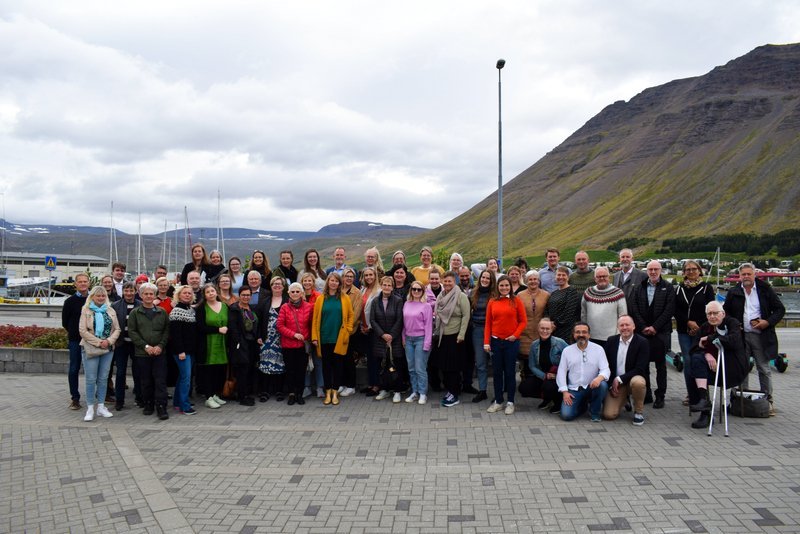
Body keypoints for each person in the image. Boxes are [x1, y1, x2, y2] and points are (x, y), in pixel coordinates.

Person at [723, 262, 785, 416]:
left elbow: (780, 309)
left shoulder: (765, 289)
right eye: (743, 274)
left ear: (754, 274)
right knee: (740, 368)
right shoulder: (734, 292)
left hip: (761, 335)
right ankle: (739, 401)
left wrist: (767, 322)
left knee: (763, 368)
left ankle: (767, 402)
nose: (746, 277)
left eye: (748, 274)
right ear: (739, 276)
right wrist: (735, 324)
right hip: (741, 336)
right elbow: (725, 313)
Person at [687, 301, 749, 428]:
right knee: (694, 364)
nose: (712, 316)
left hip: (731, 368)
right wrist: (707, 354)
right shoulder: (704, 327)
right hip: (710, 369)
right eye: (709, 314)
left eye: (715, 313)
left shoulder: (732, 323)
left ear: (723, 313)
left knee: (697, 370)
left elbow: (733, 341)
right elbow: (693, 348)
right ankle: (704, 407)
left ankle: (704, 405)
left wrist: (710, 338)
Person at [629, 260, 676, 409]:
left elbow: (669, 309)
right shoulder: (639, 287)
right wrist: (643, 327)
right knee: (643, 364)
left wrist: (655, 327)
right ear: (647, 271)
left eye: (656, 269)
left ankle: (660, 396)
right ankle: (647, 393)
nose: (653, 272)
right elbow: (634, 308)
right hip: (642, 332)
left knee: (661, 365)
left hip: (661, 332)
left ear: (660, 270)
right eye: (650, 269)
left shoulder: (668, 287)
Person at [484, 275, 527, 415]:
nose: (504, 288)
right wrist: (486, 342)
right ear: (497, 287)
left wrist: (515, 335)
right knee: (497, 373)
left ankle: (510, 402)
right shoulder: (492, 301)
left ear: (510, 286)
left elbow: (523, 321)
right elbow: (488, 323)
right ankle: (498, 401)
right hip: (496, 342)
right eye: (501, 285)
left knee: (510, 372)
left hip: (511, 342)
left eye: (506, 285)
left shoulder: (516, 301)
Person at [127, 283, 171, 420]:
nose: (148, 296)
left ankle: (161, 406)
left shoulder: (162, 312)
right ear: (140, 295)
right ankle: (148, 404)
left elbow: (166, 330)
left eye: (151, 294)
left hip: (159, 353)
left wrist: (160, 346)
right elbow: (132, 332)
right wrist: (145, 346)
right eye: (145, 294)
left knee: (160, 381)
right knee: (145, 380)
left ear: (155, 295)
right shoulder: (135, 313)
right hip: (142, 353)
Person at [78, 286, 121, 421]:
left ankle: (101, 407)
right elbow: (82, 331)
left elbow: (117, 329)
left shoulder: (110, 310)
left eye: (103, 296)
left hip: (107, 348)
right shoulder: (86, 310)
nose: (101, 298)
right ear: (92, 297)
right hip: (91, 347)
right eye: (98, 296)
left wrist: (108, 341)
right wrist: (99, 342)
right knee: (91, 379)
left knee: (103, 378)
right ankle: (90, 407)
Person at [675, 260, 716, 405]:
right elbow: (676, 309)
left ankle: (703, 394)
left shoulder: (706, 288)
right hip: (684, 330)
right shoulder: (679, 289)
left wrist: (699, 327)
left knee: (699, 360)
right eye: (688, 269)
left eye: (694, 269)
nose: (691, 271)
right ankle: (691, 394)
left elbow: (711, 310)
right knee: (688, 361)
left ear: (699, 271)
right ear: (684, 272)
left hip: (702, 331)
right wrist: (688, 322)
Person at [312, 273, 354, 406]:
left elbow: (350, 316)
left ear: (339, 283)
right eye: (331, 280)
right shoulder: (320, 299)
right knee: (326, 367)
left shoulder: (344, 298)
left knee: (338, 366)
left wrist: (348, 330)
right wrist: (314, 337)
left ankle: (335, 392)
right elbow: (315, 319)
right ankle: (328, 392)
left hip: (339, 338)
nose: (334, 283)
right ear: (328, 282)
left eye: (336, 281)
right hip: (324, 338)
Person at [556, 323, 610, 422]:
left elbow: (605, 369)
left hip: (592, 387)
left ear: (589, 335)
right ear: (574, 334)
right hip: (574, 390)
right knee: (566, 415)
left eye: (584, 332)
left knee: (602, 385)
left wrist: (599, 378)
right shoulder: (567, 351)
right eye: (578, 332)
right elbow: (561, 372)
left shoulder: (598, 349)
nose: (581, 334)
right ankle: (583, 407)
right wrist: (564, 392)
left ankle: (594, 412)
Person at [433, 271, 471, 407]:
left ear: (455, 282)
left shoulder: (461, 296)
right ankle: (450, 390)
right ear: (442, 282)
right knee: (445, 366)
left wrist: (461, 335)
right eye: (445, 281)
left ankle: (454, 394)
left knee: (453, 367)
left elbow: (466, 316)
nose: (447, 283)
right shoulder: (440, 296)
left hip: (456, 336)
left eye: (450, 281)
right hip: (442, 335)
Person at [603, 316, 649, 425]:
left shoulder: (642, 342)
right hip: (617, 384)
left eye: (627, 325)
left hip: (633, 379)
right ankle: (624, 400)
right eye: (621, 325)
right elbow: (605, 364)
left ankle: (638, 412)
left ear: (633, 326)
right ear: (618, 327)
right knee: (608, 415)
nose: (624, 328)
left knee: (638, 382)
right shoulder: (611, 341)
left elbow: (640, 368)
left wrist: (619, 379)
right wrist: (611, 384)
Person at [369, 276, 407, 402]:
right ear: (381, 285)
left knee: (396, 364)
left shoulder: (398, 300)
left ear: (392, 287)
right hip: (380, 339)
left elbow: (400, 319)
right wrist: (382, 335)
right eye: (384, 285)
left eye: (389, 285)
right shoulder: (375, 301)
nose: (386, 287)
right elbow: (372, 320)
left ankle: (397, 390)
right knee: (382, 365)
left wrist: (391, 335)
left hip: (394, 339)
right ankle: (384, 389)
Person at [518, 319, 567, 412]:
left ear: (552, 329)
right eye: (542, 328)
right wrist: (544, 376)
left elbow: (571, 357)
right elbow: (532, 365)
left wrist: (558, 375)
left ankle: (558, 402)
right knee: (524, 388)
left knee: (548, 387)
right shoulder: (534, 345)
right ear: (538, 328)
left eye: (547, 329)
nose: (544, 331)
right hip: (543, 375)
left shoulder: (559, 342)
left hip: (557, 376)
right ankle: (547, 398)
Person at [277, 282, 313, 406]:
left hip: (303, 346)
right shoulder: (284, 307)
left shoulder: (309, 307)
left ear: (302, 293)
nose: (295, 293)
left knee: (301, 371)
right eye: (293, 291)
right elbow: (279, 325)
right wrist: (294, 334)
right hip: (288, 345)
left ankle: (299, 394)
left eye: (298, 291)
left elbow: (311, 325)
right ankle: (292, 394)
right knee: (290, 371)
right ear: (289, 293)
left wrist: (308, 337)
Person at [195, 283, 229, 410]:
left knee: (219, 370)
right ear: (204, 295)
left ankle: (215, 394)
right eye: (207, 292)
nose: (210, 293)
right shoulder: (201, 308)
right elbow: (200, 327)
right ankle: (208, 397)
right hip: (208, 343)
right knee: (208, 371)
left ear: (216, 292)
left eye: (212, 291)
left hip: (222, 343)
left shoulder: (224, 306)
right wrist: (217, 330)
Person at [227, 285, 260, 406]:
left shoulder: (252, 308)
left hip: (252, 343)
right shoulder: (234, 309)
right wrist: (239, 342)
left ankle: (247, 393)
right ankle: (242, 396)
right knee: (242, 370)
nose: (246, 297)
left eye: (248, 295)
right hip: (240, 344)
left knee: (249, 369)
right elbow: (233, 328)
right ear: (239, 296)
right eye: (243, 295)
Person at [257, 277, 288, 402]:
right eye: (274, 284)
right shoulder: (265, 301)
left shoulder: (287, 300)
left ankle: (279, 391)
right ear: (271, 286)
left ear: (283, 286)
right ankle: (265, 391)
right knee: (265, 364)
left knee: (280, 364)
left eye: (279, 284)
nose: (277, 285)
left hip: (282, 338)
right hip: (267, 339)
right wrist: (259, 336)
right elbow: (259, 321)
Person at [168, 285, 198, 415]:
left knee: (182, 377)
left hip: (190, 350)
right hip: (181, 351)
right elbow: (175, 335)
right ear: (179, 295)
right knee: (186, 378)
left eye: (189, 293)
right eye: (184, 293)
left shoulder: (190, 310)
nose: (187, 295)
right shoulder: (176, 311)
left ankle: (177, 402)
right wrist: (180, 351)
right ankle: (184, 407)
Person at [111, 282, 141, 410]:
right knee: (120, 373)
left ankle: (139, 397)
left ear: (135, 291)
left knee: (138, 372)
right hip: (121, 344)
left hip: (136, 344)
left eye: (131, 291)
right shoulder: (115, 305)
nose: (129, 293)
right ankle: (119, 400)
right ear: (123, 292)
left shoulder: (140, 305)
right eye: (126, 291)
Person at [468, 270, 497, 403]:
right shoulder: (473, 293)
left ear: (491, 281)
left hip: (493, 331)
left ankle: (498, 391)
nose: (484, 280)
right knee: (480, 363)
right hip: (478, 331)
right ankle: (482, 390)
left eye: (488, 278)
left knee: (496, 363)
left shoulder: (496, 295)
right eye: (483, 277)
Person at [581, 267, 627, 348]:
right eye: (599, 276)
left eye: (604, 276)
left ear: (609, 277)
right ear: (595, 279)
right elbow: (583, 314)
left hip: (611, 338)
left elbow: (623, 316)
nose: (602, 278)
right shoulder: (588, 293)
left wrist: (619, 334)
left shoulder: (618, 293)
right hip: (591, 337)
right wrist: (584, 331)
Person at [402, 280, 433, 405]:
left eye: (418, 289)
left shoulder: (426, 306)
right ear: (410, 291)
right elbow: (404, 324)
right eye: (413, 289)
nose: (416, 291)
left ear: (423, 291)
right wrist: (403, 338)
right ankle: (414, 392)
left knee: (420, 368)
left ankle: (423, 393)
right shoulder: (406, 304)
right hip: (408, 339)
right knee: (411, 368)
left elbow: (429, 326)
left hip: (421, 339)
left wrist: (427, 344)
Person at [62, 272, 90, 410]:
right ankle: (75, 398)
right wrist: (76, 332)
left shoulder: (93, 299)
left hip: (92, 340)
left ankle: (95, 398)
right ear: (75, 284)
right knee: (74, 369)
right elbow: (65, 322)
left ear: (89, 283)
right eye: (80, 281)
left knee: (92, 370)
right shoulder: (69, 302)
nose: (83, 284)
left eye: (85, 281)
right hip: (75, 340)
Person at [517, 269, 550, 376]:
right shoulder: (520, 295)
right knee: (525, 362)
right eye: (530, 279)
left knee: (539, 359)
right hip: (524, 333)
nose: (533, 281)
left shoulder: (546, 295)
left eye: (535, 279)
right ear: (526, 281)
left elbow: (548, 313)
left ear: (539, 281)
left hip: (541, 332)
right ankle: (525, 379)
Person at [340, 267, 364, 397]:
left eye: (351, 276)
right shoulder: (338, 290)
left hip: (350, 331)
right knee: (340, 358)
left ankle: (351, 386)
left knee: (349, 359)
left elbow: (356, 314)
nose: (349, 278)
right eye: (346, 276)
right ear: (342, 278)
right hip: (337, 331)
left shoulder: (357, 292)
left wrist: (345, 327)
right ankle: (342, 383)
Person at [545, 266, 582, 343]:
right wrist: (548, 323)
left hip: (566, 331)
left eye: (563, 275)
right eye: (558, 275)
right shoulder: (554, 293)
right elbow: (547, 309)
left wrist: (554, 324)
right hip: (553, 330)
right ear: (555, 277)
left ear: (568, 277)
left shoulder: (572, 291)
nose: (561, 277)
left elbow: (568, 312)